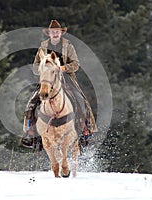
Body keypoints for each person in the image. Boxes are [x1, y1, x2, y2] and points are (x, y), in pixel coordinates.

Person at [20, 20, 97, 150]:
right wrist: (43, 69)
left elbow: (76, 64)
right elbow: (35, 66)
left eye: (57, 32)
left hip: (66, 78)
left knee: (81, 100)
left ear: (61, 33)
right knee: (31, 103)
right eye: (53, 32)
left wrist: (62, 68)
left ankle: (86, 130)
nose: (55, 34)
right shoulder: (42, 47)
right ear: (49, 34)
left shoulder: (68, 46)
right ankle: (30, 132)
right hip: (48, 79)